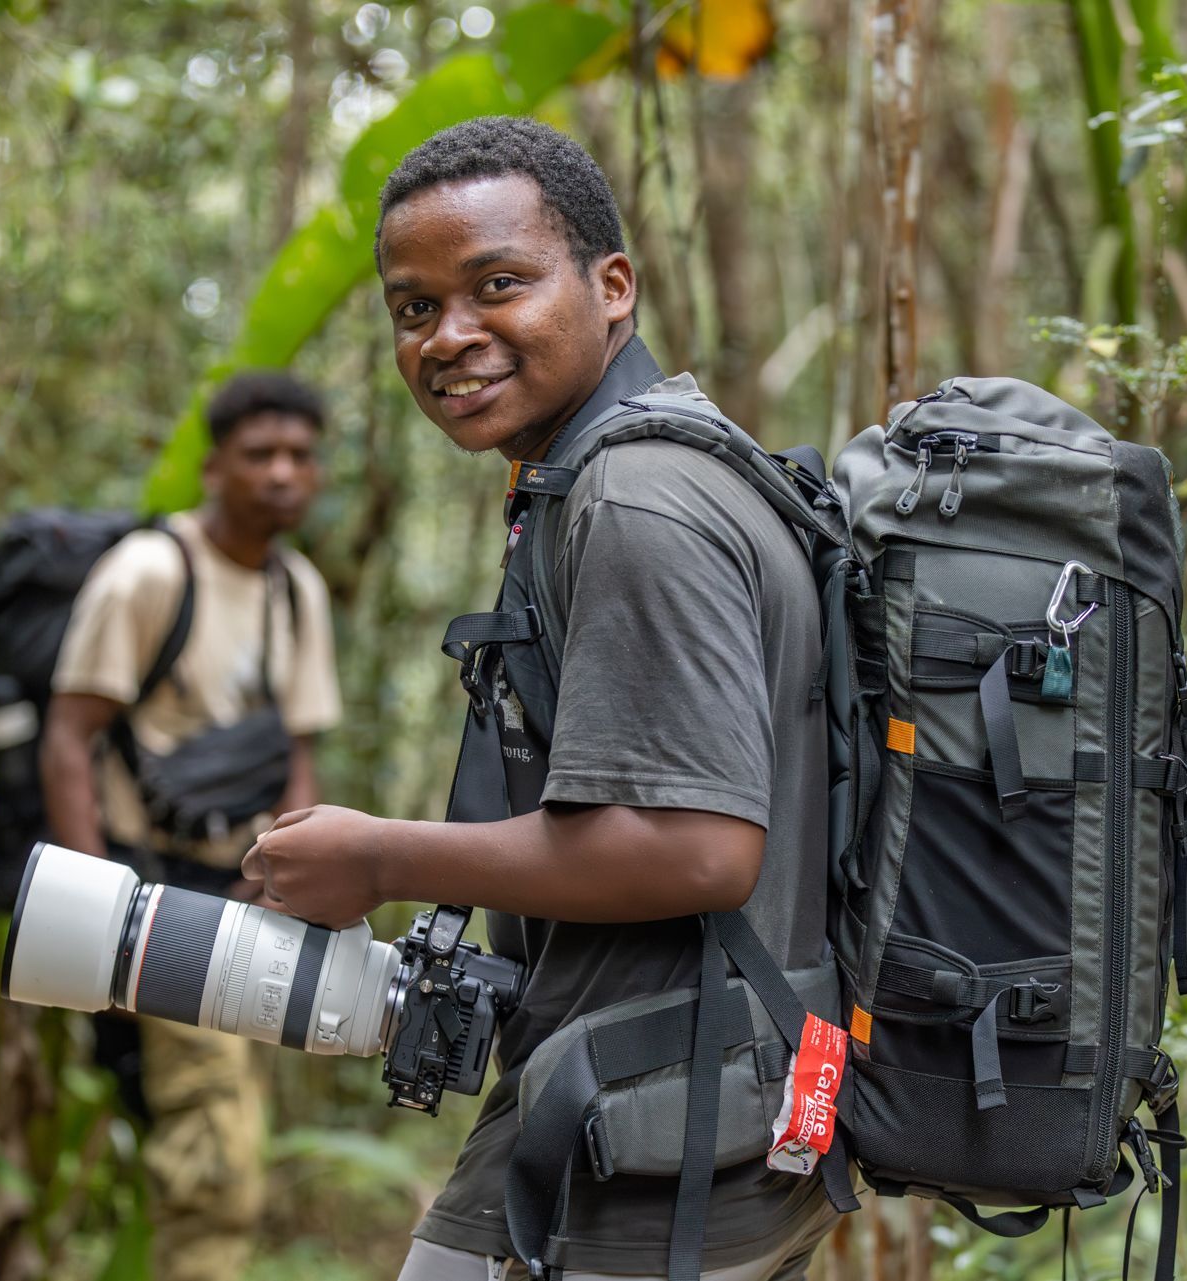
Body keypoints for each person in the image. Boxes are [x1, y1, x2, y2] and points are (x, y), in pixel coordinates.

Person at [242, 118, 838, 1280]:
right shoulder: (635, 468)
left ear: (612, 287)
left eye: (497, 285)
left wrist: (381, 858)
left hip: (654, 1125)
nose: (449, 338)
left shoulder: (637, 498)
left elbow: (698, 849)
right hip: (689, 1101)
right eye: (414, 309)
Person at [41, 370, 342, 1281]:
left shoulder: (298, 589)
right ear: (214, 467)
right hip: (153, 897)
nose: (283, 473)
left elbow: (297, 748)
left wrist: (286, 867)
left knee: (218, 1127)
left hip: (246, 899)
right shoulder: (148, 573)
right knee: (216, 1160)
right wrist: (98, 908)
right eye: (260, 455)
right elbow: (68, 738)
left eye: (299, 455)